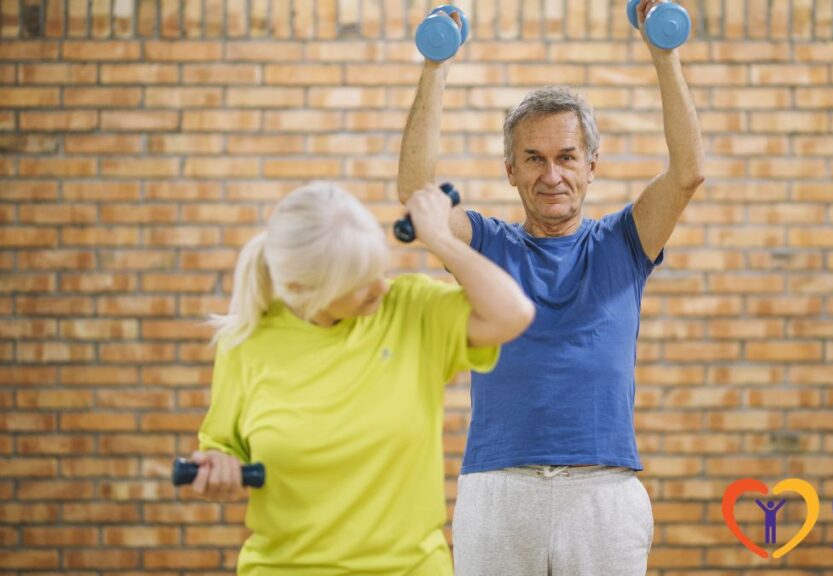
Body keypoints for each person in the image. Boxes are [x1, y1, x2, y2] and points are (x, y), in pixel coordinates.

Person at [398, 1, 705, 573]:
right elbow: (419, 192)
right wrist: (435, 65)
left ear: (592, 165)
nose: (552, 175)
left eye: (567, 157)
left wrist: (665, 53)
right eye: (533, 159)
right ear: (510, 169)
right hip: (497, 486)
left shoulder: (625, 240)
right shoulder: (486, 244)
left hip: (602, 492)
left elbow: (688, 172)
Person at [186, 181, 534, 576]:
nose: (381, 288)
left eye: (378, 269)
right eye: (359, 283)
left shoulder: (409, 311)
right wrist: (219, 467)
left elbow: (514, 314)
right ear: (302, 289)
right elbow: (222, 447)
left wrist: (441, 238)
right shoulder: (245, 345)